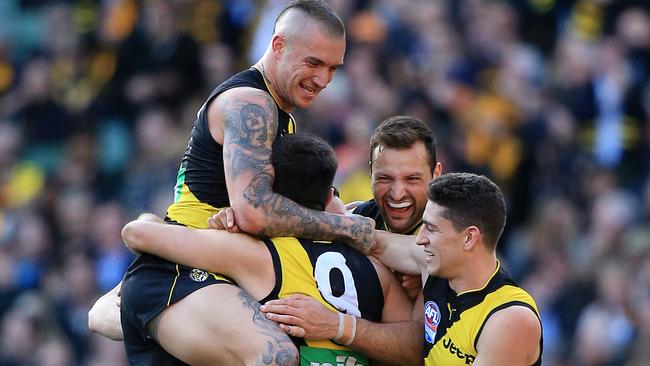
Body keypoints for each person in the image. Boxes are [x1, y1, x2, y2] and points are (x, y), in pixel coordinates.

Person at [89, 1, 374, 364]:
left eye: (333, 68)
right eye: (313, 63)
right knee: (277, 356)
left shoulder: (281, 117)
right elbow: (254, 212)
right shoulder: (249, 103)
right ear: (278, 46)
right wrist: (345, 228)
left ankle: (122, 307)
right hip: (182, 270)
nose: (323, 79)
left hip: (218, 271)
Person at [121, 133, 419, 365]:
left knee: (119, 313)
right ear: (329, 194)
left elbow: (137, 234)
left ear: (270, 195)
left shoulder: (255, 253)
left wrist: (217, 224)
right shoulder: (376, 268)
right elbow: (418, 349)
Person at [263, 173, 543, 365]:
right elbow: (361, 237)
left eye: (431, 229)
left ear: (469, 237)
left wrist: (334, 324)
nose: (420, 238)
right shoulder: (434, 265)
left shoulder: (509, 319)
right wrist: (251, 219)